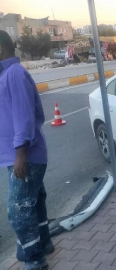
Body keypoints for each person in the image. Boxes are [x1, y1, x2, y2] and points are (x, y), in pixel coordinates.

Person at [0, 30, 53, 270]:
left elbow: (23, 117)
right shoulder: (9, 74)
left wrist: (21, 153)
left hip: (25, 156)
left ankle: (34, 261)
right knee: (34, 202)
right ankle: (44, 244)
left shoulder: (14, 74)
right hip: (21, 155)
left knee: (18, 211)